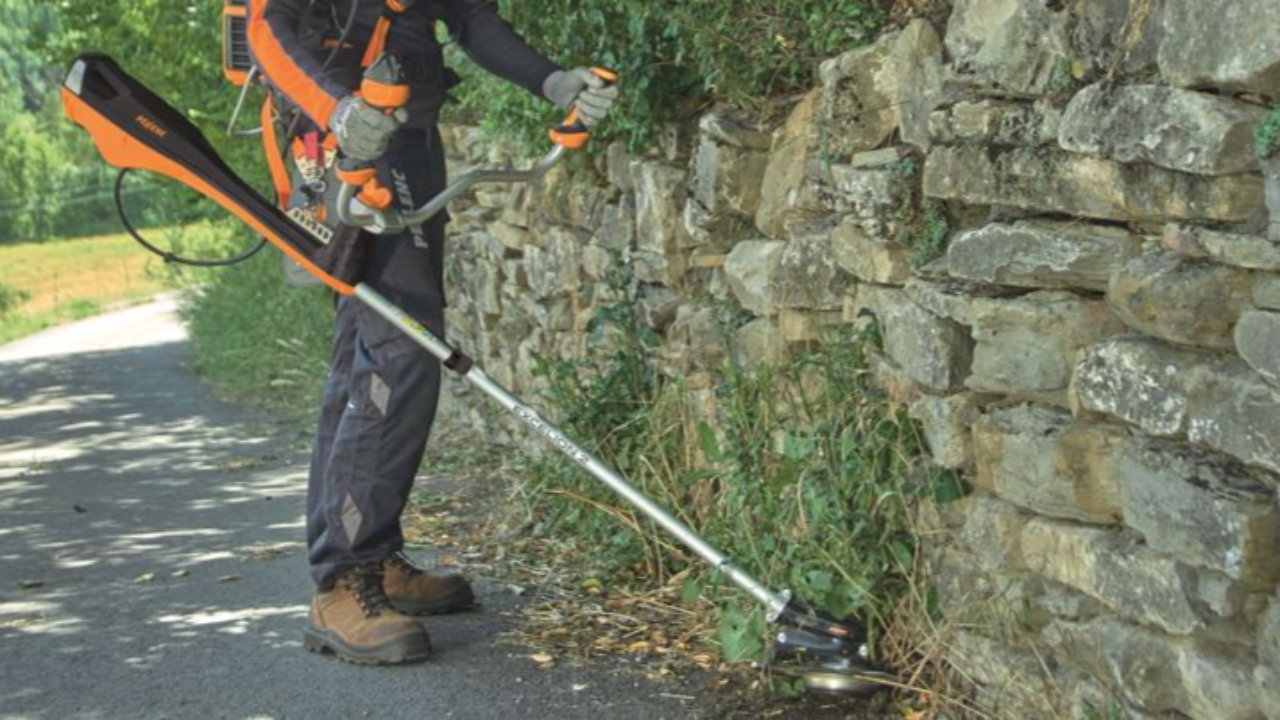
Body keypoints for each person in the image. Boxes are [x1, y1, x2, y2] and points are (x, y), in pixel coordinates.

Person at [247, 0, 617, 665]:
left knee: (370, 348)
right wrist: (338, 112)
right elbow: (264, 29)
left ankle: (372, 555)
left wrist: (554, 81)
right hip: (342, 145)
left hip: (413, 141)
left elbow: (473, 20)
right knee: (403, 349)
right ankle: (343, 580)